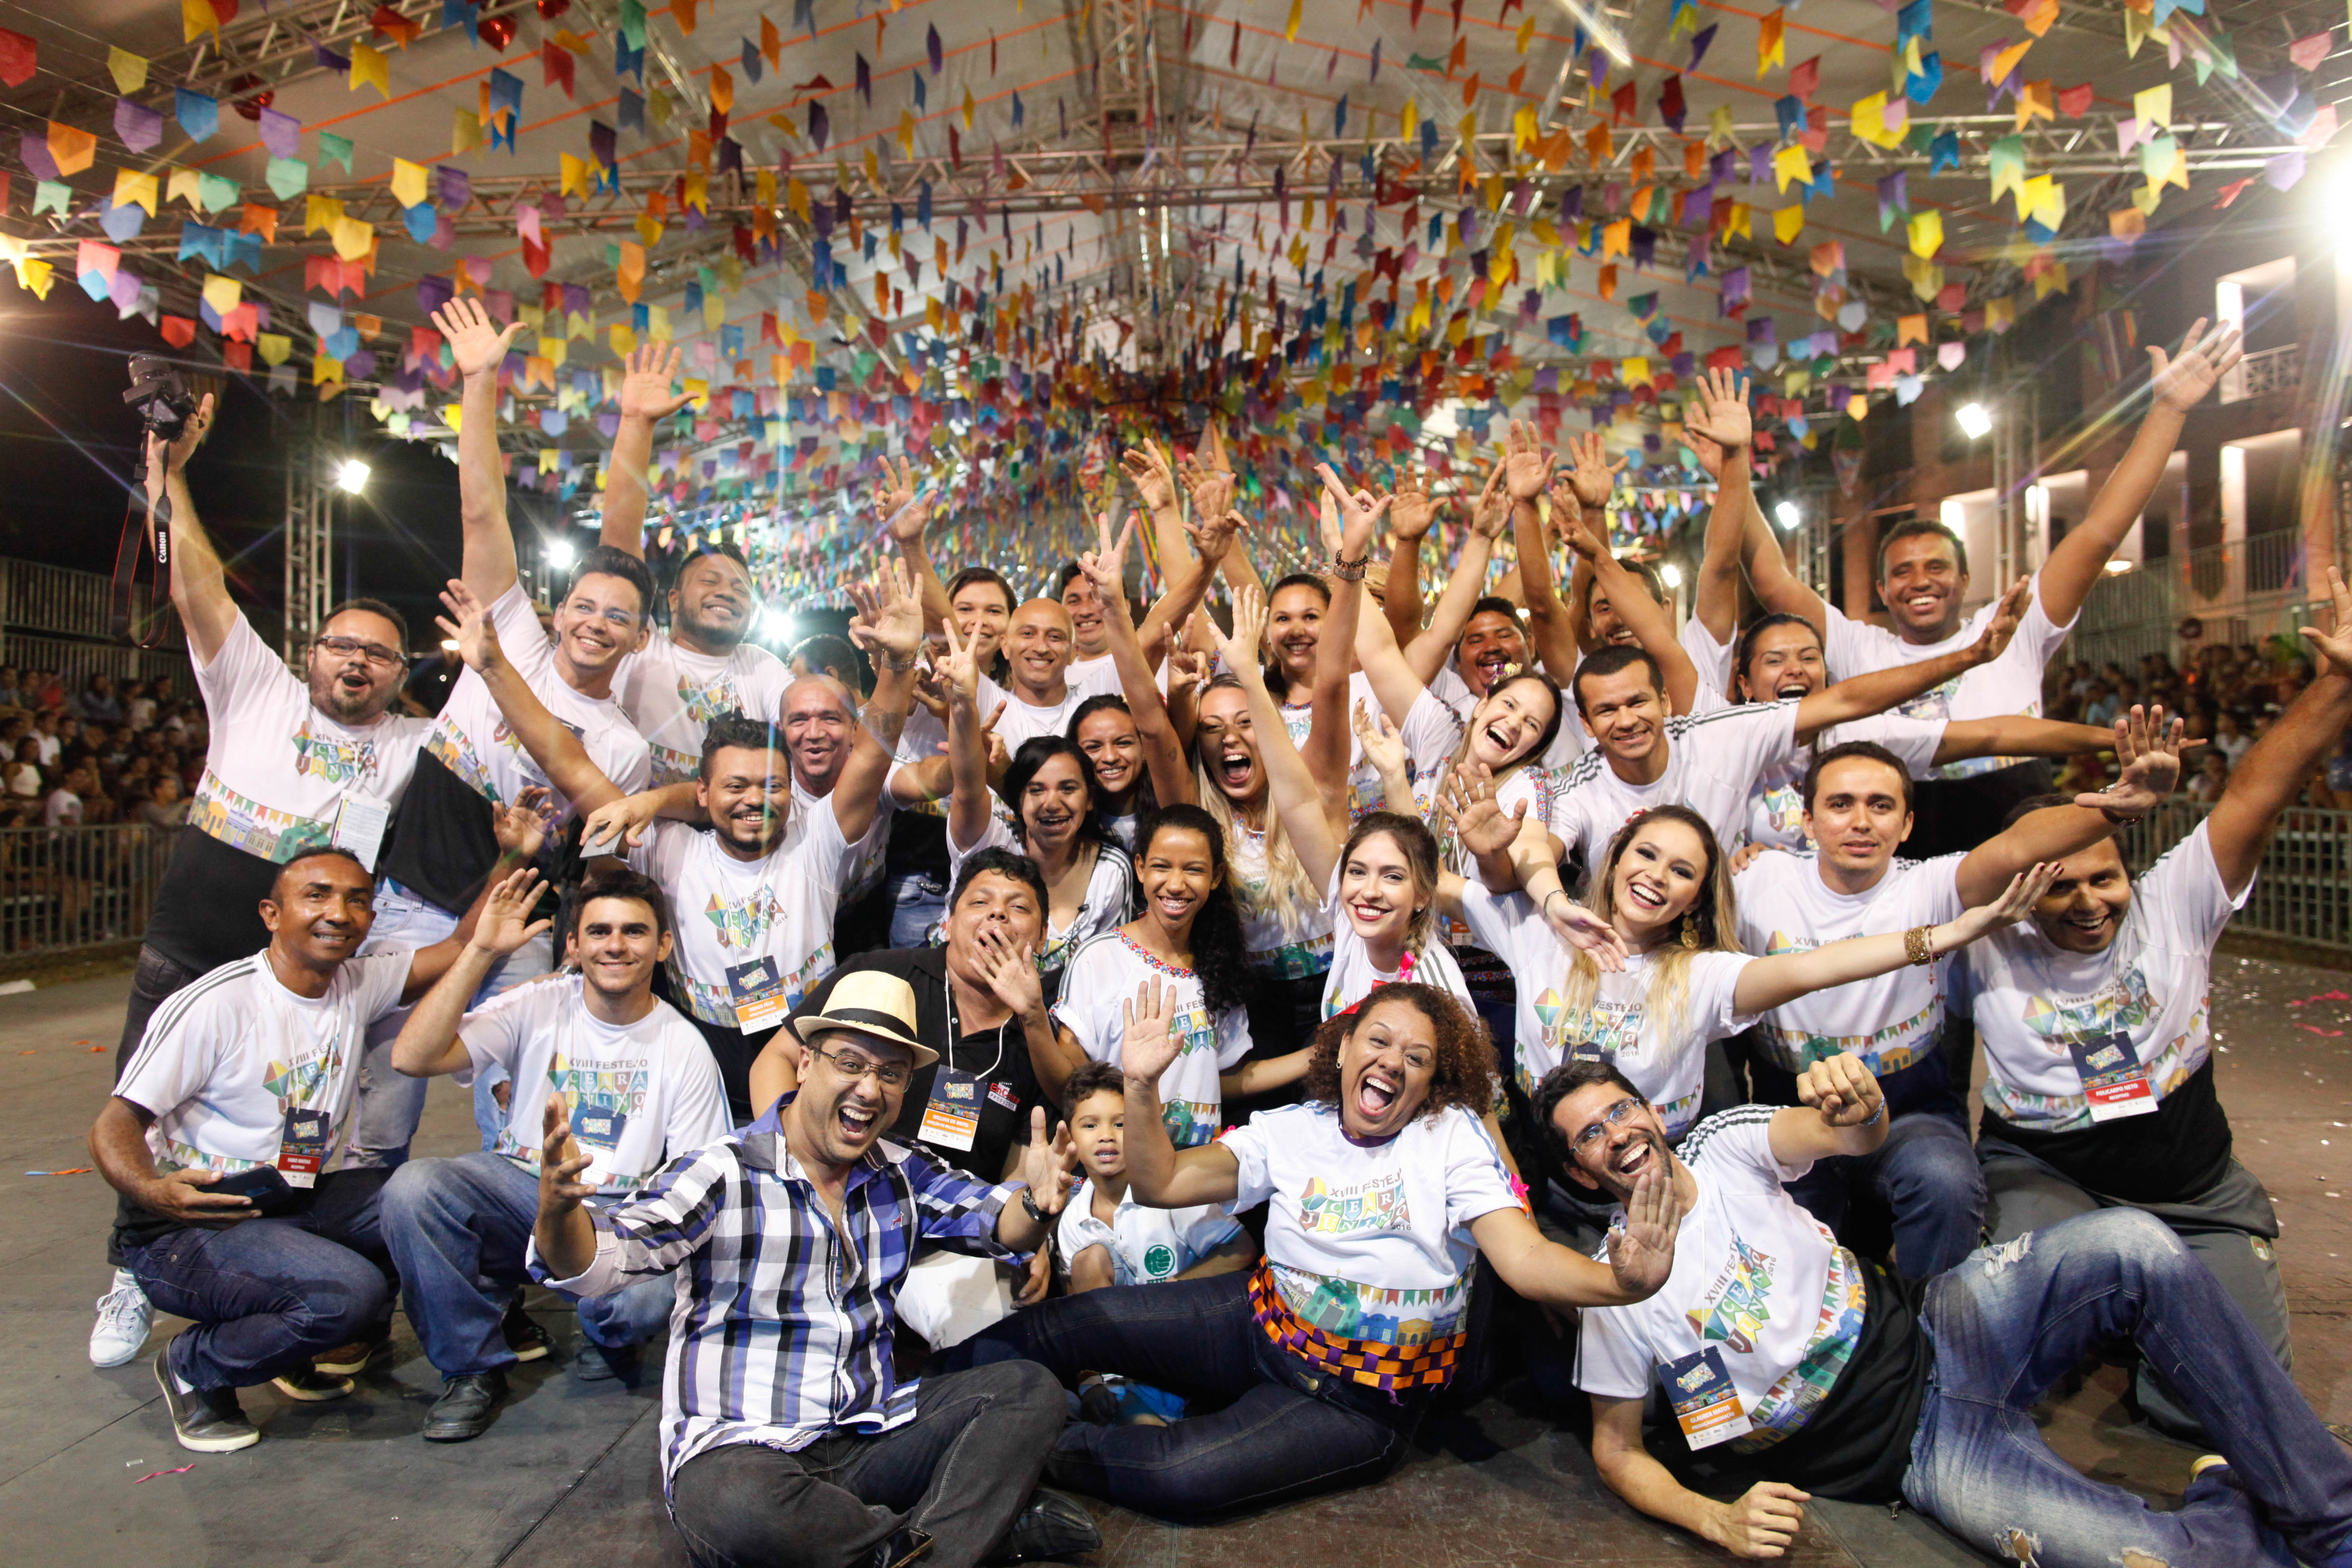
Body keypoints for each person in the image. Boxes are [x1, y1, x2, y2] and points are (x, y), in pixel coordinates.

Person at [1553, 1059, 2352, 1568]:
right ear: (1581, 1173)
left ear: (1653, 1110)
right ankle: (2230, 1496)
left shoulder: (1723, 1144)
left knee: (2135, 1243)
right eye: (1591, 1133)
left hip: (1948, 1327)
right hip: (1924, 1454)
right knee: (2148, 1557)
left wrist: (1862, 1109)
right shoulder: (1609, 1287)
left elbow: (1844, 1134)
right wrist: (1718, 1518)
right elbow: (1617, 1451)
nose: (1618, 1133)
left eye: (1622, 1109)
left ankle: (2333, 1519)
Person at [956, 982, 1686, 1521]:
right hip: (1256, 1323)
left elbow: (1524, 1261)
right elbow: (1163, 1180)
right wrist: (1141, 1084)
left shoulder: (1452, 1138)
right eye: (1379, 1041)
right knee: (1078, 1323)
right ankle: (932, 1403)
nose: (1393, 1062)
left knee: (1182, 1475)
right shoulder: (1292, 1127)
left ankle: (1014, 1445)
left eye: (1417, 1057)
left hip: (1354, 1402)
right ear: (1342, 1049)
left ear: (1432, 1080)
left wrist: (1621, 1283)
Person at [526, 968, 1100, 1568]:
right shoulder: (723, 1171)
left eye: (890, 1074)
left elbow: (997, 1223)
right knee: (735, 1504)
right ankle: (962, 1539)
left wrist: (1036, 1205)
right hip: (745, 1450)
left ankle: (892, 1550)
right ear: (805, 1063)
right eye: (850, 1064)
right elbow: (603, 1259)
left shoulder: (901, 1170)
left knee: (1027, 1392)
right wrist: (560, 1214)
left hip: (868, 1437)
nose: (869, 1089)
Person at [1959, 566, 2352, 1439]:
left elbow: (2256, 792)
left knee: (2210, 1411)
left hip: (2192, 1189)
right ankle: (2115, 1302)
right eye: (2060, 885)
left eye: (2103, 879)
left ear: (2128, 869)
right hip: (2050, 1177)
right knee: (2010, 1359)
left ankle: (2150, 1311)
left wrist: (2338, 684)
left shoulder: (2176, 902)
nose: (2087, 902)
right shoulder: (1987, 931)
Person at [91, 393, 431, 1371]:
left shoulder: (414, 746)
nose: (357, 662)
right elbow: (196, 581)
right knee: (147, 1107)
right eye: (342, 645)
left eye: (379, 653)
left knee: (289, 1120)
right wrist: (167, 473)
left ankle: (282, 1267)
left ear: (401, 671)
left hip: (304, 971)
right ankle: (133, 1269)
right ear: (310, 653)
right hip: (192, 943)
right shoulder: (255, 686)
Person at [85, 848, 543, 1452]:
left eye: (357, 900)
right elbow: (115, 1124)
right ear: (272, 914)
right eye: (317, 895)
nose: (340, 913)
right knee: (346, 1294)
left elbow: (460, 945)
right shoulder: (218, 1003)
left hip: (288, 1197)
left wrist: (512, 855)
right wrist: (152, 1192)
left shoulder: (356, 982)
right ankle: (197, 1366)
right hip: (191, 1224)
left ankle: (315, 1347)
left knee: (430, 1199)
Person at [433, 567, 918, 1124]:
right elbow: (566, 761)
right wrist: (494, 668)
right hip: (699, 1062)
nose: (754, 801)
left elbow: (873, 750)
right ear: (703, 793)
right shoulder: (666, 846)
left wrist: (899, 664)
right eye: (735, 787)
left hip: (801, 1057)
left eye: (772, 787)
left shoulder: (817, 840)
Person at [1739, 320, 2241, 856]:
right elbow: (1770, 578)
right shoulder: (1856, 646)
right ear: (1882, 590)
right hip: (1900, 833)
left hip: (2015, 815)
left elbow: (2099, 534)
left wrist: (2168, 411)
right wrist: (1733, 464)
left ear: (1964, 579)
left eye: (1936, 567)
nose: (1920, 581)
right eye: (1903, 573)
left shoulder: (2011, 625)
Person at [1728, 707, 2181, 1280]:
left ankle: (1939, 1324)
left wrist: (2117, 807)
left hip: (1910, 1112)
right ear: (1808, 820)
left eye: (1881, 806)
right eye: (1841, 805)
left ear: (1907, 824)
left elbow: (2017, 848)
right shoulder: (1755, 880)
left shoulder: (1932, 884)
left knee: (1946, 1184)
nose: (1861, 822)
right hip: (1787, 1113)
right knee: (1789, 1268)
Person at [369, 296, 653, 998]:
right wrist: (478, 382)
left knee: (514, 1078)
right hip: (407, 909)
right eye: (583, 606)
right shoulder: (512, 636)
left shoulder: (623, 748)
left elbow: (600, 862)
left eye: (617, 617)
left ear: (640, 638)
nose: (596, 623)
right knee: (384, 1074)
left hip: (521, 931)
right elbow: (481, 513)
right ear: (557, 614)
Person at [386, 867, 731, 1436]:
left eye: (634, 931)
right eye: (598, 931)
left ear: (664, 946)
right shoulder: (537, 1003)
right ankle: (472, 1369)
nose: (615, 945)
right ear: (573, 944)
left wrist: (629, 1243)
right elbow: (412, 1057)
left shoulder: (685, 1046)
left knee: (643, 1301)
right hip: (521, 1188)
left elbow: (695, 1182)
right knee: (414, 1190)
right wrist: (479, 951)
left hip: (619, 1210)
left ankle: (608, 1333)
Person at [592, 346, 798, 785]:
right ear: (672, 599)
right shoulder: (641, 649)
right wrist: (637, 425)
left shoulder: (761, 668)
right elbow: (619, 547)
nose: (727, 592)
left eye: (741, 589)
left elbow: (806, 724)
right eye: (710, 580)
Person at [940, 616, 1137, 994]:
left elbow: (1107, 977)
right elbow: (967, 787)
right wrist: (963, 705)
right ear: (1019, 800)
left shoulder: (1112, 870)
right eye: (1036, 790)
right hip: (960, 995)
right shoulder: (994, 841)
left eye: (1068, 789)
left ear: (1090, 799)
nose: (1052, 803)